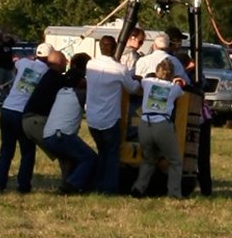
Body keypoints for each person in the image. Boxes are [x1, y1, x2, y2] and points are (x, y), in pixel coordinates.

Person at [84, 35, 140, 195]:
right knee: (112, 155)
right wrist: (138, 80)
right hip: (109, 118)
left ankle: (98, 184)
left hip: (92, 118)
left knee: (101, 152)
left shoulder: (90, 64)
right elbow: (132, 89)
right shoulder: (119, 69)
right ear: (115, 48)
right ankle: (109, 188)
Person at [0, 45, 48, 193]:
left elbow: (16, 64)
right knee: (27, 152)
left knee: (6, 151)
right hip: (22, 114)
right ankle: (23, 185)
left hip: (7, 110)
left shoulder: (24, 62)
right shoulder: (46, 71)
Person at [41, 55, 97, 195]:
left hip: (48, 135)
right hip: (62, 136)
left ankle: (75, 184)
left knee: (75, 159)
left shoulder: (61, 92)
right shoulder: (80, 94)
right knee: (90, 158)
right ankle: (71, 185)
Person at [131, 59, 185, 199]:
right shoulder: (174, 88)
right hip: (162, 125)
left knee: (148, 159)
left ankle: (138, 188)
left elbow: (139, 79)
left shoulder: (147, 83)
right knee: (175, 161)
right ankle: (173, 193)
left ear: (157, 72)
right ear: (172, 74)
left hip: (144, 123)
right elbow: (182, 88)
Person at [22, 43, 69, 163]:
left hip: (15, 111)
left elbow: (24, 90)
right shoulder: (47, 72)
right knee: (65, 153)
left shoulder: (28, 65)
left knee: (20, 154)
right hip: (32, 117)